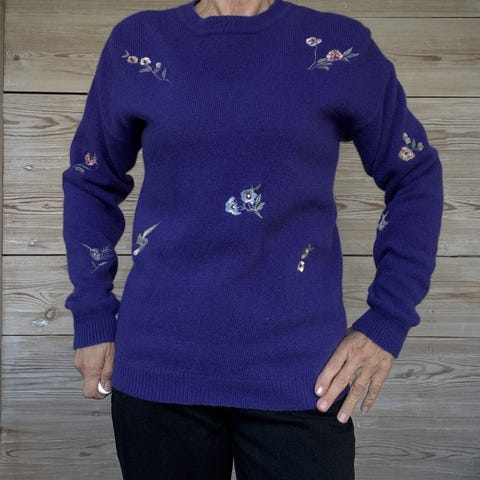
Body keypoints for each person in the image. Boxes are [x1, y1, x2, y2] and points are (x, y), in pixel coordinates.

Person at [62, 0, 444, 478]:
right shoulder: (138, 43)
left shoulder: (340, 44)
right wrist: (94, 314)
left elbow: (414, 174)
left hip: (301, 374)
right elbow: (91, 180)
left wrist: (387, 320)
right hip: (161, 366)